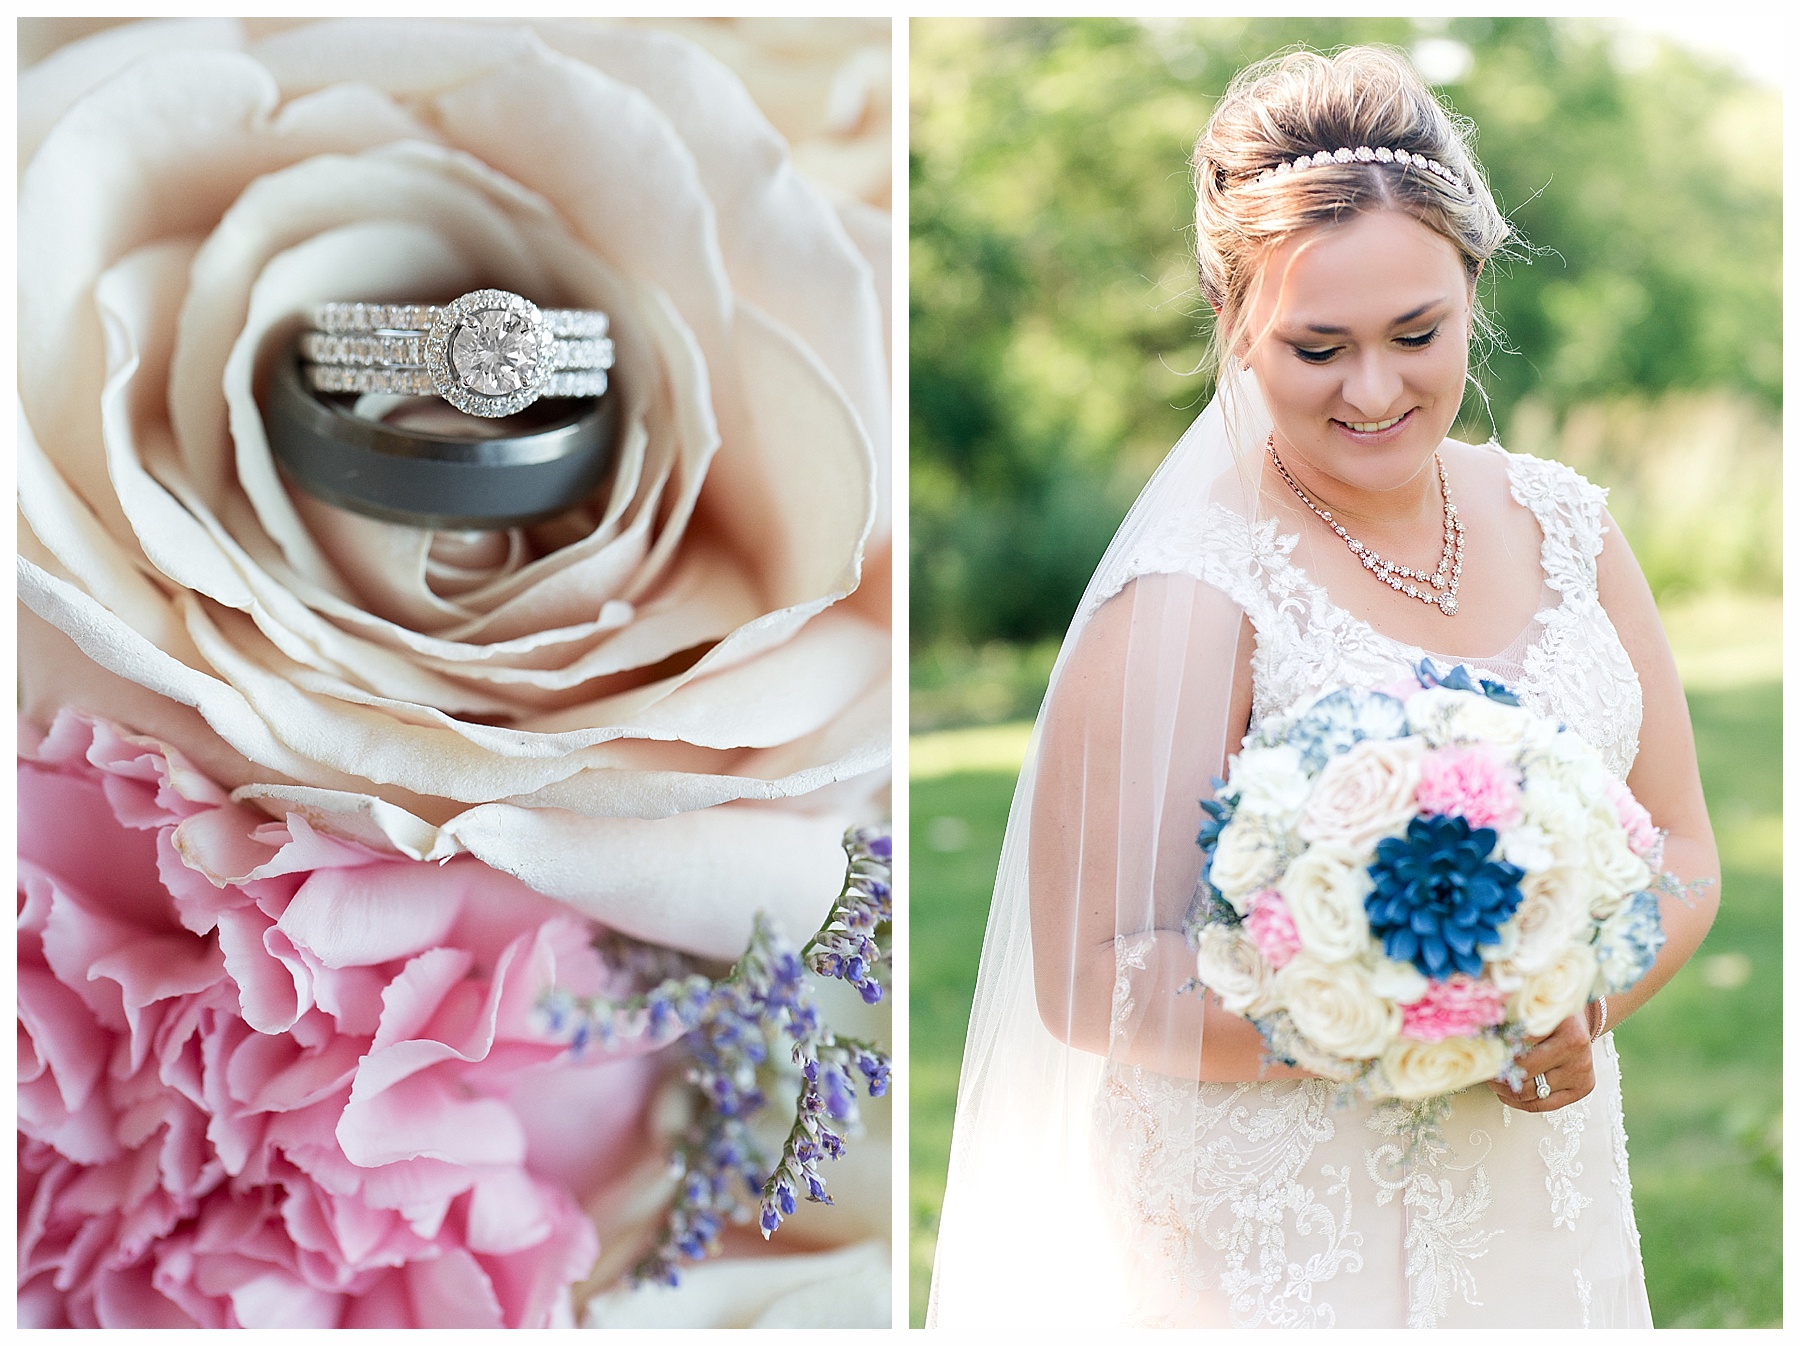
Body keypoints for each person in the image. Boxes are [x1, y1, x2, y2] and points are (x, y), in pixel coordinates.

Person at [926, 46, 1719, 1328]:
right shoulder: (1190, 593)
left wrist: (1572, 1004)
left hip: (1538, 1184)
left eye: (1418, 333)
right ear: (1237, 324)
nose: (1373, 389)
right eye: (1315, 346)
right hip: (1282, 1237)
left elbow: (1680, 841)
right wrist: (1395, 1023)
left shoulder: (1568, 526)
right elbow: (1086, 975)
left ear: (1473, 282)